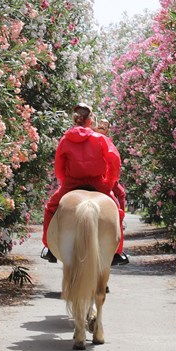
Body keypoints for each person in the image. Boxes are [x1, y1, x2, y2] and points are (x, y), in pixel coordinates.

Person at [41, 103, 130, 266]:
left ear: (76, 119)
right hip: (98, 183)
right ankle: (117, 252)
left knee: (50, 209)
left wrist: (65, 182)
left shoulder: (65, 140)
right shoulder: (100, 138)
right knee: (117, 212)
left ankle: (49, 248)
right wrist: (108, 184)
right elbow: (114, 162)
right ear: (90, 120)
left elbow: (59, 167)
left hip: (71, 184)